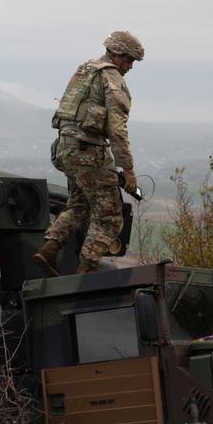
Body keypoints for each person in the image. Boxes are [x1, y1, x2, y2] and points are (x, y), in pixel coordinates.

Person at [32, 30, 145, 276]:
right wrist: (128, 169)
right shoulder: (111, 78)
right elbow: (117, 129)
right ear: (116, 54)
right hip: (88, 151)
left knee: (79, 205)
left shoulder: (85, 70)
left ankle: (49, 250)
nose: (130, 66)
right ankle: (85, 271)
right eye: (129, 60)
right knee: (110, 216)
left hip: (66, 148)